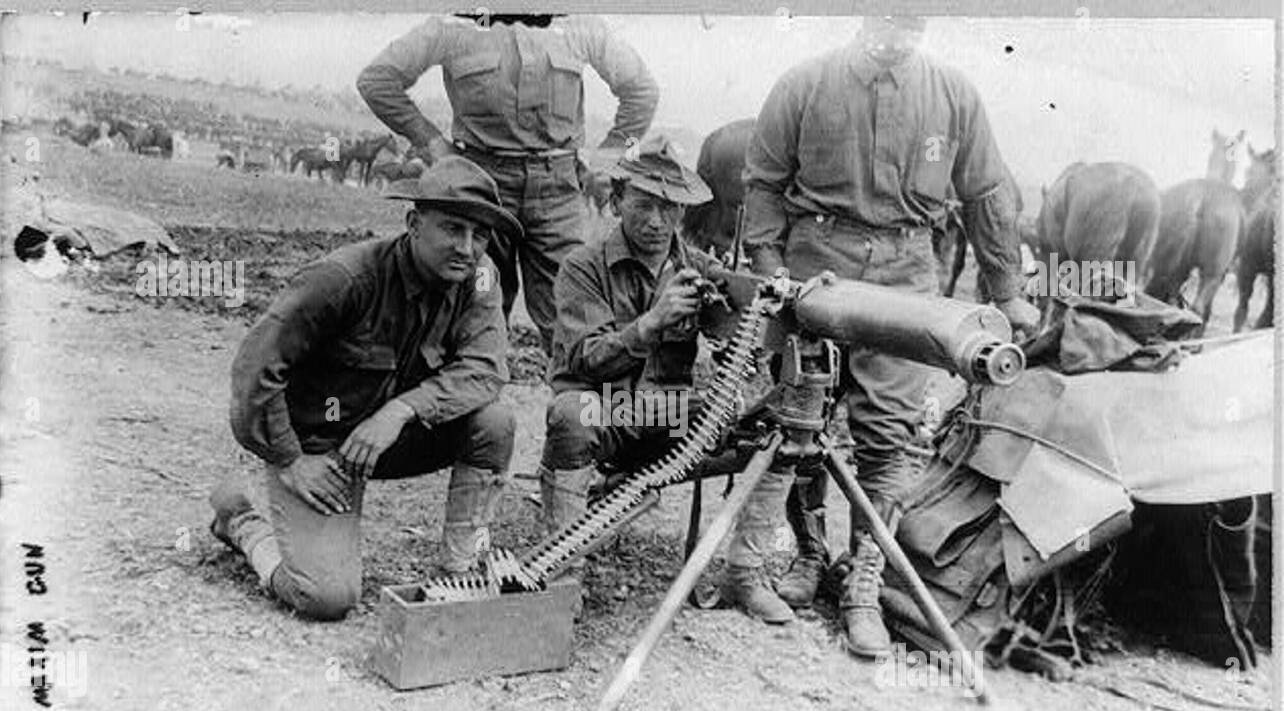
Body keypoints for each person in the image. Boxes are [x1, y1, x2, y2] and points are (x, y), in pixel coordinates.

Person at [742, 15, 1040, 655]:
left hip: (907, 272)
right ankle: (809, 556)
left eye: (910, 20)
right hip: (814, 266)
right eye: (883, 16)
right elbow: (763, 183)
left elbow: (987, 192)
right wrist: (770, 278)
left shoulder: (953, 95)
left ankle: (864, 587)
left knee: (891, 431)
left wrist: (1007, 291)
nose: (894, 33)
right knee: (802, 419)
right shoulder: (805, 83)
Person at [209, 157, 520, 621]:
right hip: (322, 448)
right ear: (414, 223)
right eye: (453, 229)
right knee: (325, 597)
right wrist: (291, 459)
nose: (468, 247)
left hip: (389, 438)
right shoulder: (344, 279)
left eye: (480, 235)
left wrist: (400, 412)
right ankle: (242, 520)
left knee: (494, 422)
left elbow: (484, 368)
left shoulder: (479, 277)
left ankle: (459, 569)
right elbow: (256, 368)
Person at [541, 137, 796, 624]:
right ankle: (561, 572)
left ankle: (744, 575)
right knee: (571, 415)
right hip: (609, 411)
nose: (657, 222)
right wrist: (649, 325)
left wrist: (779, 299)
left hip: (670, 416)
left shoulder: (697, 267)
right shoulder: (583, 267)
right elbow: (582, 360)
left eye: (670, 209)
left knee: (778, 430)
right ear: (616, 202)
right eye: (644, 205)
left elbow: (748, 307)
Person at [357, 13, 659, 354]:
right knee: (475, 307)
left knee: (572, 315)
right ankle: (472, 398)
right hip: (481, 193)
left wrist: (606, 158)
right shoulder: (454, 24)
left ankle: (572, 404)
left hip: (557, 195)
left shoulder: (578, 25)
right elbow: (377, 80)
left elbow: (642, 92)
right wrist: (432, 144)